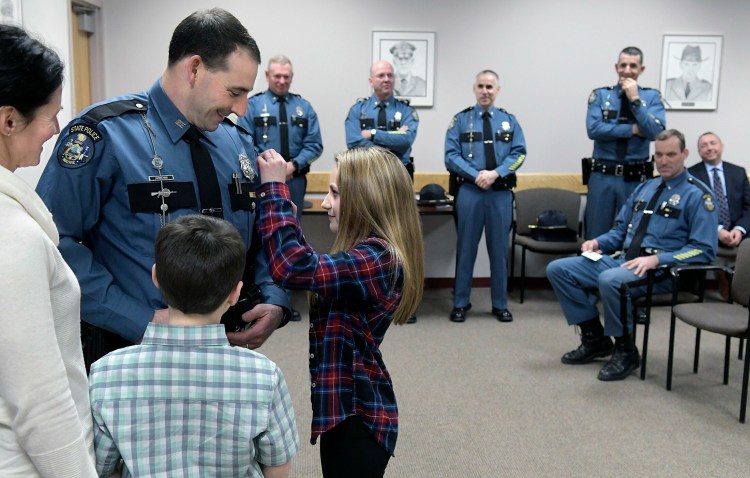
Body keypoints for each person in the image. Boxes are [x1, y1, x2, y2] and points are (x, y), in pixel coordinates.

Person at [36, 8, 289, 368]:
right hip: (129, 353)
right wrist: (139, 320)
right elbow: (55, 243)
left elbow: (265, 231)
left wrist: (274, 297)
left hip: (226, 352)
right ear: (195, 68)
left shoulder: (238, 142)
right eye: (235, 91)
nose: (242, 109)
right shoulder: (105, 135)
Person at [255, 146, 425, 478]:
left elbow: (291, 266)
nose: (325, 203)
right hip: (343, 409)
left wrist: (275, 189)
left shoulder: (379, 259)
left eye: (335, 193)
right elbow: (314, 270)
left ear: (366, 199)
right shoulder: (368, 255)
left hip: (358, 415)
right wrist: (285, 216)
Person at [89, 215, 299, 477]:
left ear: (156, 276)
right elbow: (277, 465)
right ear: (235, 293)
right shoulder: (264, 375)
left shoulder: (106, 373)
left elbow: (100, 466)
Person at [0, 24, 97, 476]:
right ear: (8, 119)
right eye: (51, 114)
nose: (57, 130)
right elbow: (38, 397)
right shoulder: (11, 234)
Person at [547, 129, 717, 381]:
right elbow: (619, 231)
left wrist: (658, 260)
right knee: (559, 269)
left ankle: (626, 351)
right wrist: (597, 242)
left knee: (611, 280)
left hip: (662, 270)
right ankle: (595, 338)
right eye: (658, 155)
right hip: (625, 260)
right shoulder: (645, 188)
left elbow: (704, 250)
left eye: (671, 154)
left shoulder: (698, 195)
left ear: (685, 154)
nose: (663, 161)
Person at [239, 54, 323, 322]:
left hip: (294, 179)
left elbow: (315, 145)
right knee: (261, 234)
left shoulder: (304, 107)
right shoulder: (253, 106)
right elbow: (243, 141)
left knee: (289, 236)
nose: (282, 80)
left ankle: (285, 298)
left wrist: (293, 166)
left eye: (287, 76)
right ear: (267, 76)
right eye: (277, 76)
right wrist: (269, 167)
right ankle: (260, 293)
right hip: (261, 179)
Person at [444, 69, 526, 323]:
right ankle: (460, 303)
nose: (485, 91)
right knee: (466, 248)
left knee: (499, 251)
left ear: (497, 90)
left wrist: (496, 173)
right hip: (470, 192)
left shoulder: (509, 121)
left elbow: (519, 154)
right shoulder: (460, 121)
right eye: (480, 86)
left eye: (490, 87)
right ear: (474, 89)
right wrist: (476, 174)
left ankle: (499, 304)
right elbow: (450, 156)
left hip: (499, 194)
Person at [585, 46, 667, 239]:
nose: (627, 70)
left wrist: (635, 101)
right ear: (616, 67)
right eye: (623, 65)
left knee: (632, 233)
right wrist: (632, 130)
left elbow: (656, 132)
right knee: (596, 234)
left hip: (635, 178)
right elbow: (594, 129)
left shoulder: (652, 97)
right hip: (603, 176)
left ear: (642, 69)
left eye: (633, 66)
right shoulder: (601, 96)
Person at [345, 60, 419, 178]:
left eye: (390, 75)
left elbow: (406, 140)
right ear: (371, 81)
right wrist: (388, 148)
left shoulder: (406, 111)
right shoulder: (357, 110)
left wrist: (373, 133)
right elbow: (353, 142)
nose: (386, 79)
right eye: (381, 75)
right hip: (366, 174)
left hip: (399, 174)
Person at [687, 132, 750, 248]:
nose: (709, 148)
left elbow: (749, 207)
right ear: (699, 151)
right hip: (705, 235)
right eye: (704, 145)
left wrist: (739, 229)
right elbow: (691, 211)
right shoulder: (690, 175)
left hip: (741, 235)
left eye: (713, 143)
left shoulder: (739, 172)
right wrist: (717, 230)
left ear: (721, 146)